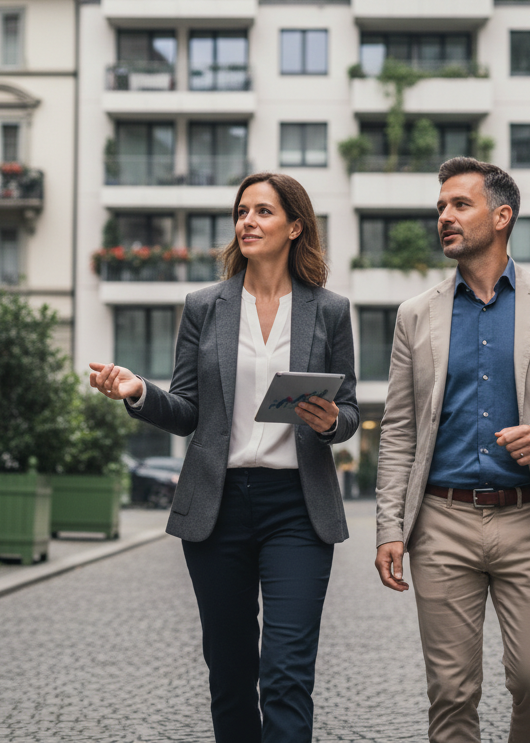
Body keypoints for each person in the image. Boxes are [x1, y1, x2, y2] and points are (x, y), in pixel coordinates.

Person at [90, 172, 358, 743]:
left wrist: (334, 421)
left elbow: (351, 408)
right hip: (219, 507)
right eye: (241, 211)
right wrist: (138, 390)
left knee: (286, 673)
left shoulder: (330, 310)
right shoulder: (204, 307)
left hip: (298, 509)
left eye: (263, 212)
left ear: (295, 227)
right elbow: (186, 409)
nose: (247, 222)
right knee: (230, 674)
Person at [373, 158, 530, 743]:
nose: (445, 217)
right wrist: (390, 526)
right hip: (442, 521)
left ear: (502, 216)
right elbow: (399, 428)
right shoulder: (415, 315)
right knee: (452, 694)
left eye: (460, 205)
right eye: (440, 208)